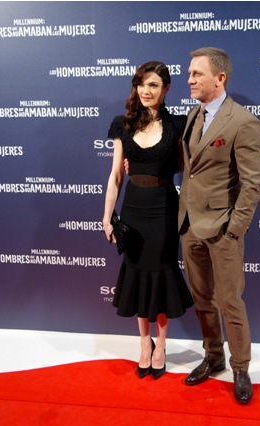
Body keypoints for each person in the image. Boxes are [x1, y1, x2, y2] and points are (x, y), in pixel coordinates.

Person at [178, 47, 260, 405]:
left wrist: (235, 229)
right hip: (189, 226)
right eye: (189, 73)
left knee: (230, 302)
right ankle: (213, 356)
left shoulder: (243, 121)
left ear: (220, 78)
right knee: (202, 299)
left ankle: (240, 368)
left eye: (196, 74)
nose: (189, 79)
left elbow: (252, 183)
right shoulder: (192, 115)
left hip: (222, 230)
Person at [103, 61, 194, 380]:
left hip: (164, 209)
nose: (146, 90)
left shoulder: (178, 124)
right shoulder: (123, 124)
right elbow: (116, 176)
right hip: (133, 210)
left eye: (153, 85)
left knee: (161, 273)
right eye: (141, 84)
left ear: (166, 89)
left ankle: (162, 344)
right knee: (138, 273)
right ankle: (144, 341)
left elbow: (184, 167)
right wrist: (107, 217)